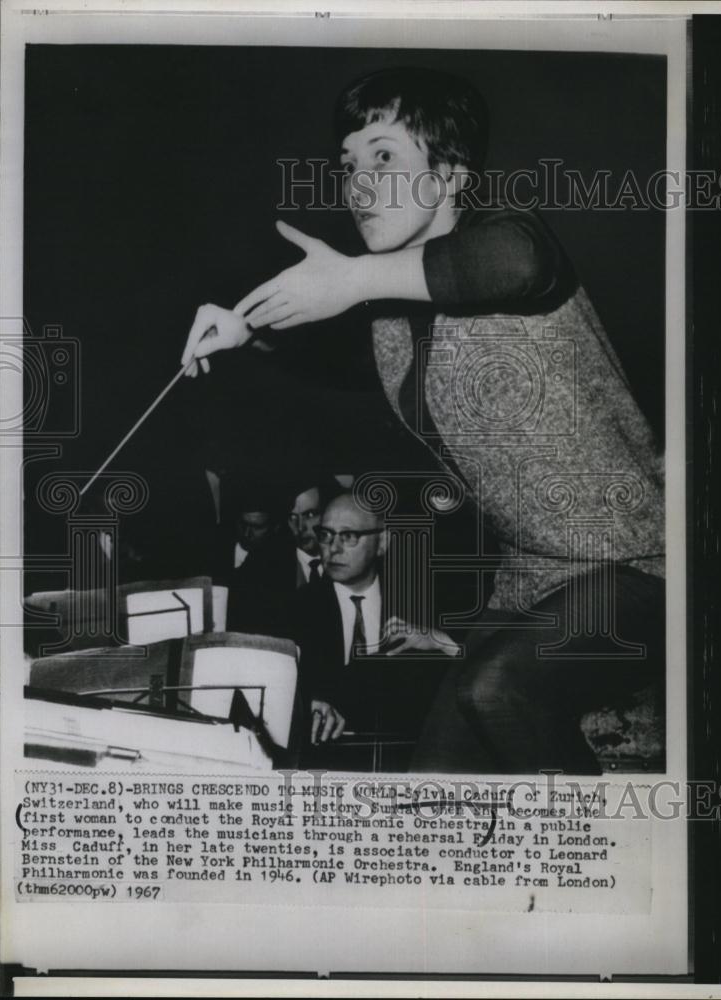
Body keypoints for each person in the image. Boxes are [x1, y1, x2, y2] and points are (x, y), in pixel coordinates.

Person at [181, 67, 665, 775]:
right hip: (534, 576)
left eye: (384, 156)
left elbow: (518, 261)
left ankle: (606, 865)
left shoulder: (504, 239)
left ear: (449, 176)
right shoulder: (389, 322)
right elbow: (337, 367)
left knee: (496, 692)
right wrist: (245, 329)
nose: (358, 183)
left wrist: (350, 279)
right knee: (433, 784)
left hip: (642, 556)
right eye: (349, 165)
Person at [293, 491, 455, 770]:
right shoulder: (294, 609)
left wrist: (444, 642)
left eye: (349, 536)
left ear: (382, 542)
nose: (333, 548)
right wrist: (307, 703)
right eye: (326, 535)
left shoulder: (419, 608)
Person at [218, 479, 295, 637]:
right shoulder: (214, 547)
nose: (247, 534)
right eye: (243, 524)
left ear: (276, 527)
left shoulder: (280, 562)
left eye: (257, 527)